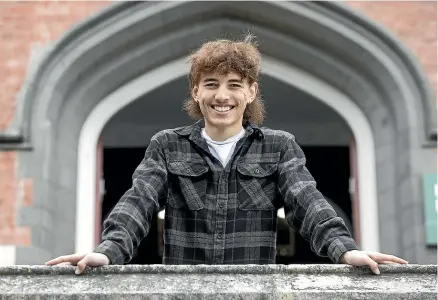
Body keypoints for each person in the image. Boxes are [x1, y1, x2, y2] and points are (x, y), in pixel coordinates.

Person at [46, 34, 408, 275]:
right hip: (183, 292)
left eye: (234, 85)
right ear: (196, 91)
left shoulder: (278, 146)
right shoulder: (167, 145)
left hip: (254, 291)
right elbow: (137, 204)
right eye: (211, 84)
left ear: (251, 92)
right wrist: (107, 251)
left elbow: (306, 202)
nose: (223, 96)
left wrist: (346, 251)